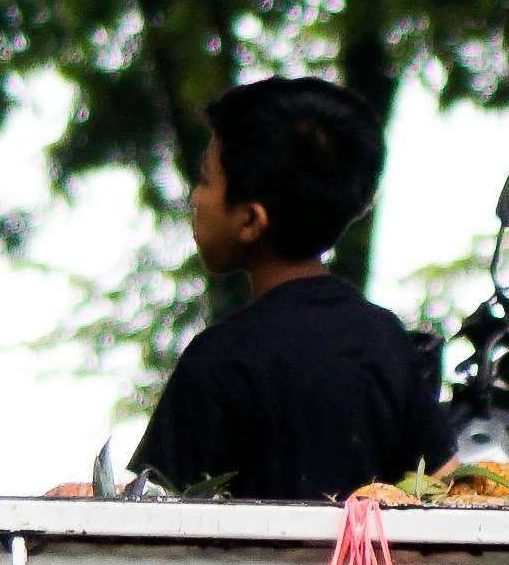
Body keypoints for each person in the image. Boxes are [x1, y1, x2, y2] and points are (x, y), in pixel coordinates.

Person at [124, 76, 443, 503]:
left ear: (251, 221)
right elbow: (446, 487)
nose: (195, 197)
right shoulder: (385, 339)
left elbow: (149, 514)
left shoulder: (217, 361)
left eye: (205, 180)